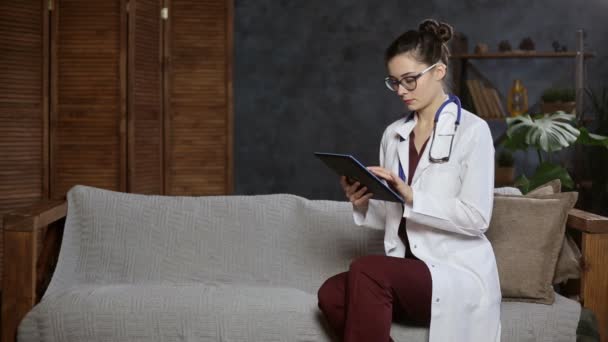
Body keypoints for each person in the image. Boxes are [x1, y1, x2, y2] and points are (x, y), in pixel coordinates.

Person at [317, 19, 502, 342]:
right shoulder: (394, 134)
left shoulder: (472, 132)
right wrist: (364, 201)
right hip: (408, 273)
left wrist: (413, 196)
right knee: (331, 294)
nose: (401, 91)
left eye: (409, 80)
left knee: (368, 270)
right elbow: (395, 215)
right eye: (394, 82)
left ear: (439, 72)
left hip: (454, 275)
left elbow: (477, 218)